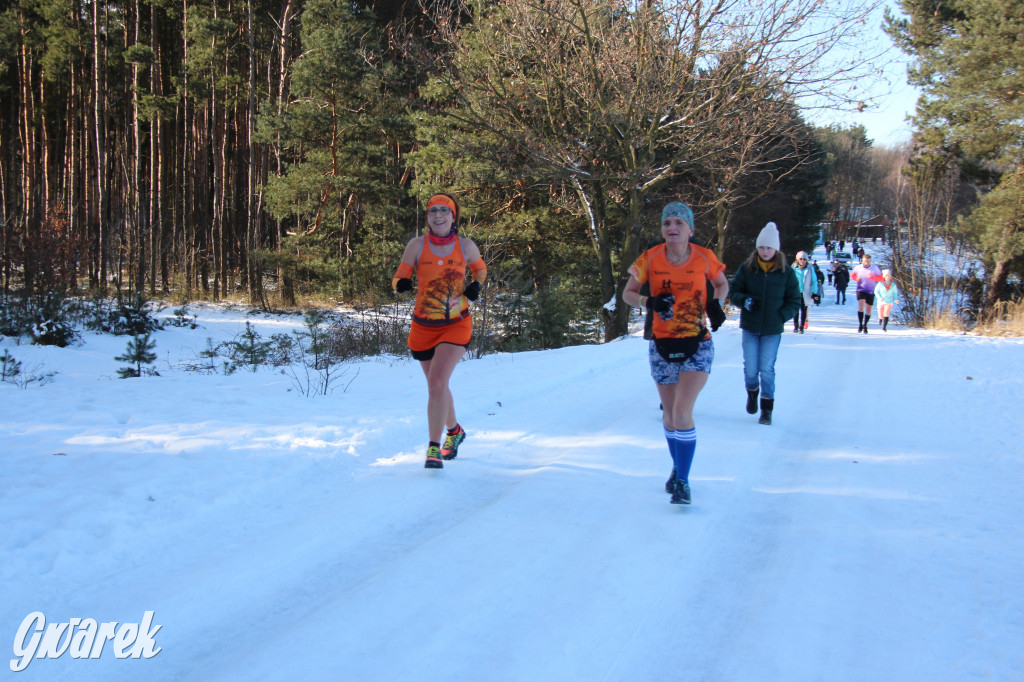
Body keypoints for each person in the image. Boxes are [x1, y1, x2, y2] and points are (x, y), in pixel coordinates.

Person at [623, 201, 728, 505]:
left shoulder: (704, 257)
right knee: (669, 416)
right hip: (662, 344)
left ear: (690, 229)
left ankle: (683, 481)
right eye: (667, 223)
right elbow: (628, 293)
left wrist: (715, 304)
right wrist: (649, 303)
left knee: (682, 412)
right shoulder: (650, 258)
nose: (672, 228)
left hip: (698, 343)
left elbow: (721, 283)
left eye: (678, 223)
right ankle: (678, 464)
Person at [393, 193, 486, 468]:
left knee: (436, 385)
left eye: (444, 211)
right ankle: (455, 431)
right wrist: (400, 284)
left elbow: (480, 270)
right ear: (427, 217)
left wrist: (476, 286)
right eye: (433, 211)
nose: (438, 215)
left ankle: (433, 448)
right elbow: (399, 276)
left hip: (457, 323)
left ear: (453, 216)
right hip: (423, 326)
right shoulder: (416, 246)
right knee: (438, 386)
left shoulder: (466, 246)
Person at [728, 222, 802, 426]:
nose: (765, 251)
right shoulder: (747, 268)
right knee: (751, 369)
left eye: (769, 248)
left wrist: (781, 316)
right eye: (761, 247)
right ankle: (752, 391)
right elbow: (734, 292)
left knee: (767, 368)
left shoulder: (786, 273)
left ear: (776, 249)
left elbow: (795, 301)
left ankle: (766, 408)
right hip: (751, 327)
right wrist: (745, 301)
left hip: (772, 329)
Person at [850, 253, 884, 333]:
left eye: (868, 262)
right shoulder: (858, 267)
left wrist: (873, 277)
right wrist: (856, 278)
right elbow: (852, 274)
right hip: (860, 289)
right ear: (862, 261)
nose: (866, 263)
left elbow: (882, 279)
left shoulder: (874, 268)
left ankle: (865, 325)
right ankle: (860, 325)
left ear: (870, 261)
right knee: (861, 306)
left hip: (870, 291)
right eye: (865, 261)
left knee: (868, 309)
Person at [791, 251, 818, 333]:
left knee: (804, 309)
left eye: (804, 259)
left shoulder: (810, 268)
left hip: (806, 292)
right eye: (801, 259)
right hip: (795, 292)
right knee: (795, 309)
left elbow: (814, 281)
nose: (803, 261)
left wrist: (815, 292)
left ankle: (801, 326)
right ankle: (795, 325)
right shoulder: (793, 268)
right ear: (797, 259)